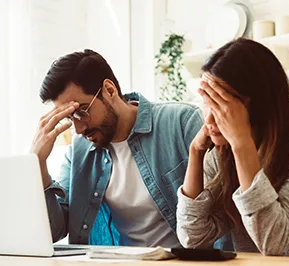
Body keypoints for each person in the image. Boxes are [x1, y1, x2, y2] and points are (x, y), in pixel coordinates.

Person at [176, 38, 289, 257]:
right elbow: (193, 238)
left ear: (255, 102)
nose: (210, 119)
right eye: (206, 102)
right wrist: (196, 153)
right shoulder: (223, 150)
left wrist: (242, 144)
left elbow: (275, 240)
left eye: (221, 105)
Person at [30, 49, 204, 247]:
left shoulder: (181, 123)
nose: (78, 129)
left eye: (81, 112)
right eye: (70, 118)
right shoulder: (79, 152)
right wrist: (38, 163)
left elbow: (220, 215)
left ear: (109, 90)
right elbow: (54, 231)